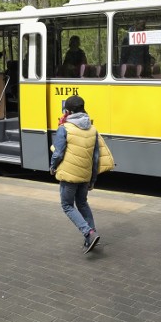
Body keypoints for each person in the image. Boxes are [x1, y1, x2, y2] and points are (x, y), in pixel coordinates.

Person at [50, 95, 103, 254]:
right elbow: (95, 158)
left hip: (70, 175)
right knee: (82, 203)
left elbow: (58, 153)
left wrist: (52, 167)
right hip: (85, 174)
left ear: (69, 111)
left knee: (67, 205)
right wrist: (92, 179)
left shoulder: (64, 128)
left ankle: (89, 232)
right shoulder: (93, 129)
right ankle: (91, 239)